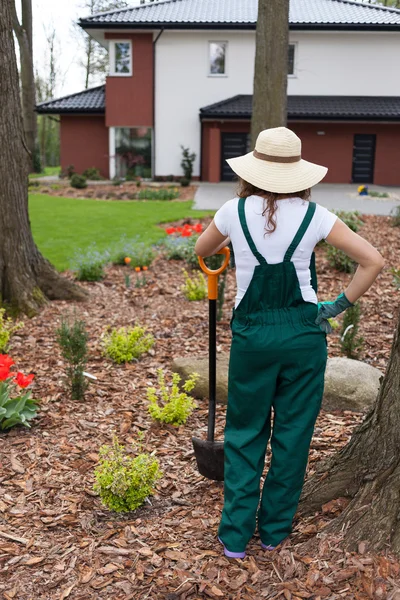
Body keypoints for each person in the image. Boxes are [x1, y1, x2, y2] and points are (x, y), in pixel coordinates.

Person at [194, 127, 384, 559]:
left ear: (253, 170)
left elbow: (202, 249)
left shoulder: (231, 211)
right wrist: (334, 307)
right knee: (294, 436)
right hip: (303, 336)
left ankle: (236, 538)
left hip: (253, 339)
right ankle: (275, 532)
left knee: (244, 435)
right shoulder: (316, 217)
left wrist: (235, 240)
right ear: (300, 175)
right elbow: (373, 261)